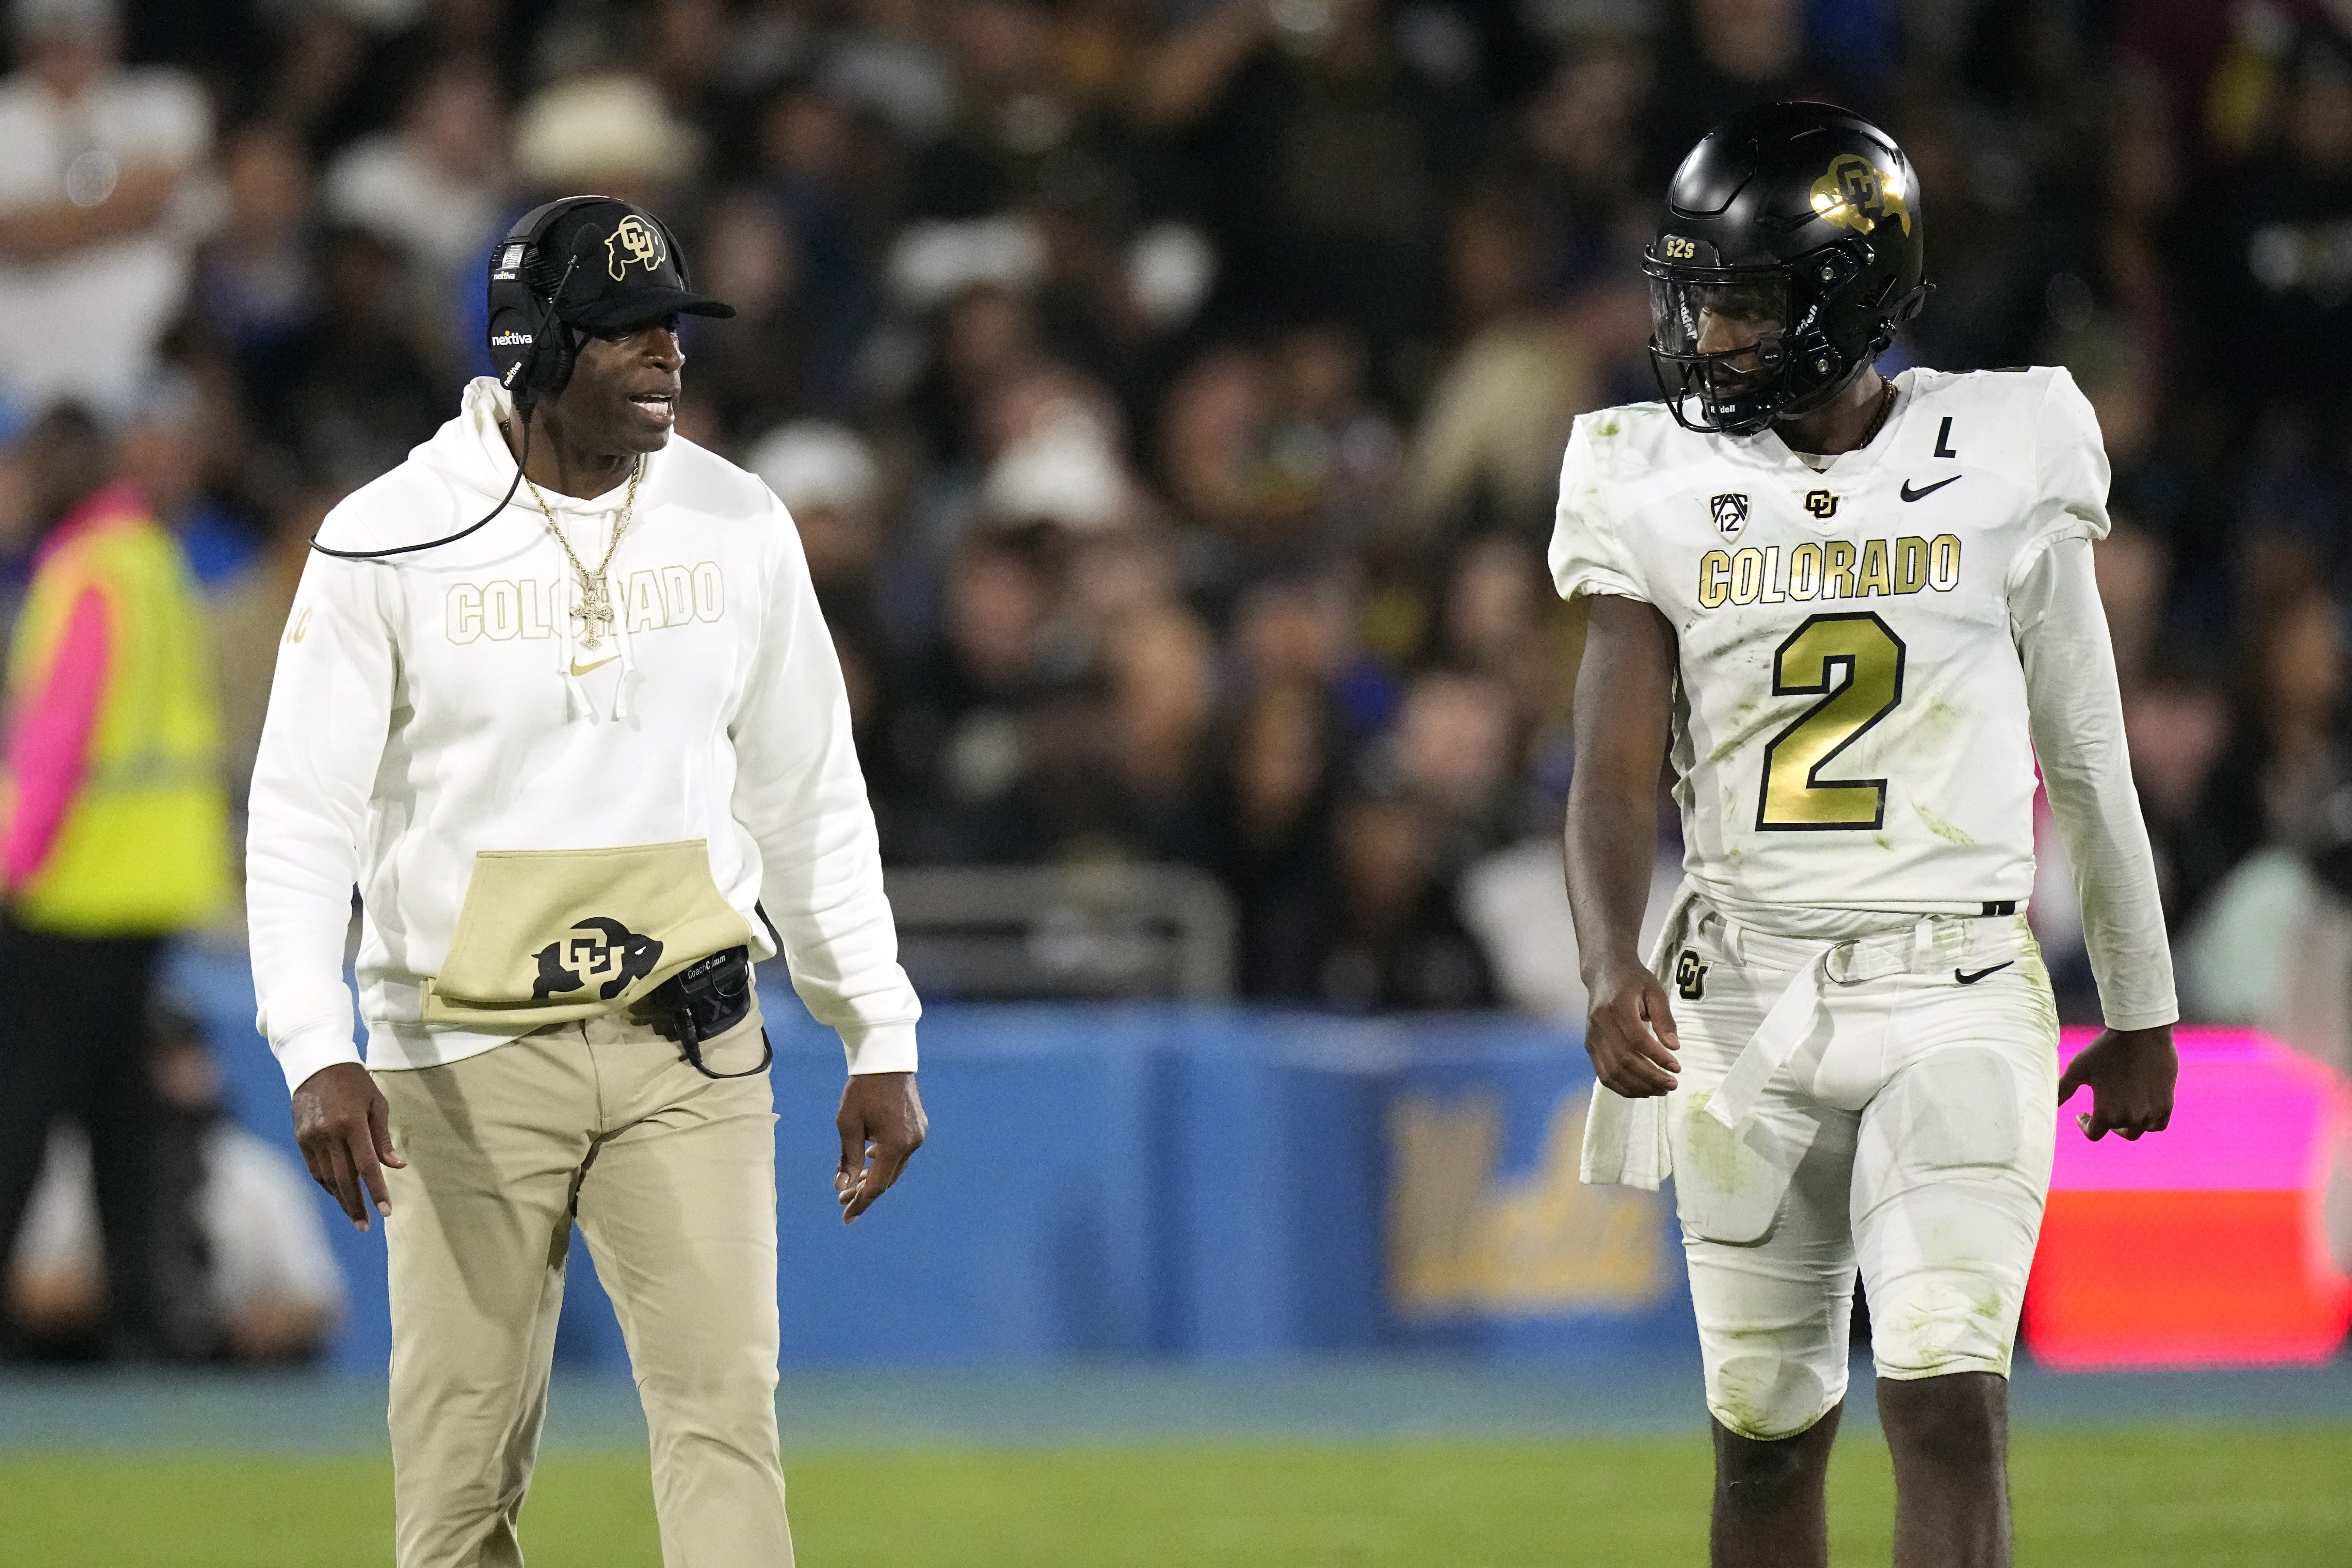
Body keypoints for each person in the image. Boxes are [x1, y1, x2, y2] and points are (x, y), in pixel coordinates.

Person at [245, 195, 927, 1567]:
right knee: (456, 1479)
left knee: (725, 1416)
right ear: (533, 341)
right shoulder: (386, 533)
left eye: (672, 323)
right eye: (625, 329)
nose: (666, 354)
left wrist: (878, 1023)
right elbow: (302, 812)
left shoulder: (736, 523)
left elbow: (807, 792)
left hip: (691, 1040)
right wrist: (313, 1042)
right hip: (461, 1054)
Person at [1553, 104, 2177, 1568]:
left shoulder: (2005, 447)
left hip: (1950, 984)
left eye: (1744, 299)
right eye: (1695, 294)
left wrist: (2140, 1004)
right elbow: (1607, 771)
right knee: (1762, 1433)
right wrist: (1603, 960)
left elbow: (2086, 753)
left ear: (1843, 297)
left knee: (1948, 1391)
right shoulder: (1647, 480)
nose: (1704, 334)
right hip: (1741, 996)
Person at [0, 402, 233, 1360]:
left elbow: (57, 743)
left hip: (74, 887)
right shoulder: (155, 561)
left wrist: (11, 869)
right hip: (154, 881)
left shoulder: (87, 569)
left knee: (16, 1109)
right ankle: (151, 1315)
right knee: (122, 1117)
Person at [0, 0, 210, 415]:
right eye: (53, 30)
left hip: (142, 372)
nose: (67, 44)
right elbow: (9, 234)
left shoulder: (163, 100)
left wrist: (44, 224)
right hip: (17, 381)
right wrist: (121, 208)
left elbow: (160, 194)